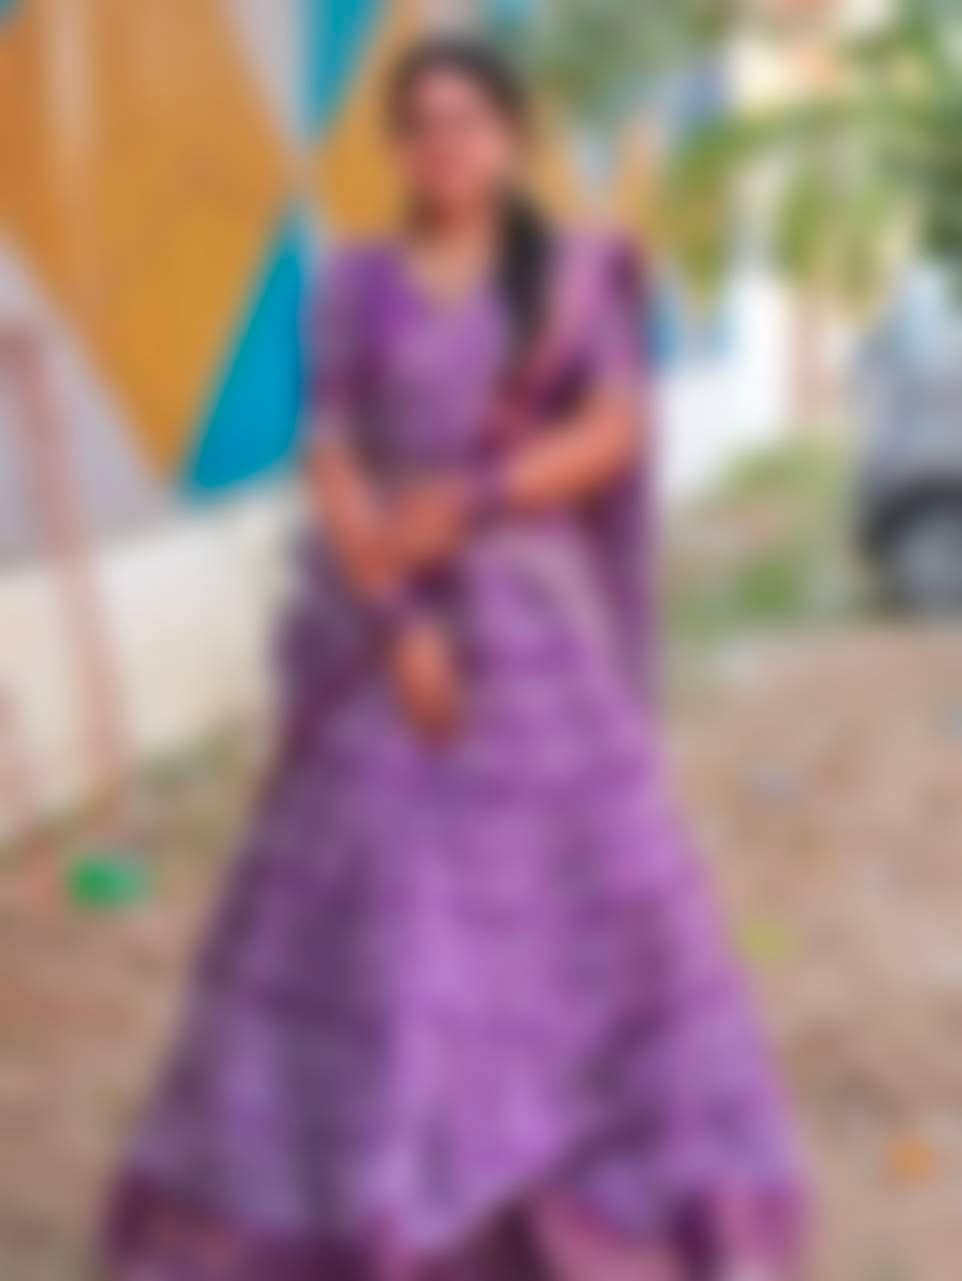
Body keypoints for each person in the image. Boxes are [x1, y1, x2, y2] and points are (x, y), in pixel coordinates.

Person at [104, 35, 805, 1281]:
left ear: (512, 136)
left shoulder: (574, 274)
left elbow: (612, 426)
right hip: (383, 636)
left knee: (577, 917)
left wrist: (475, 497)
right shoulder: (352, 281)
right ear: (392, 147)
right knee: (383, 919)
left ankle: (547, 1202)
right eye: (418, 124)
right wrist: (398, 623)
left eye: (467, 121)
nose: (443, 145)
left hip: (536, 641)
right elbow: (330, 454)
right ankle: (380, 1196)